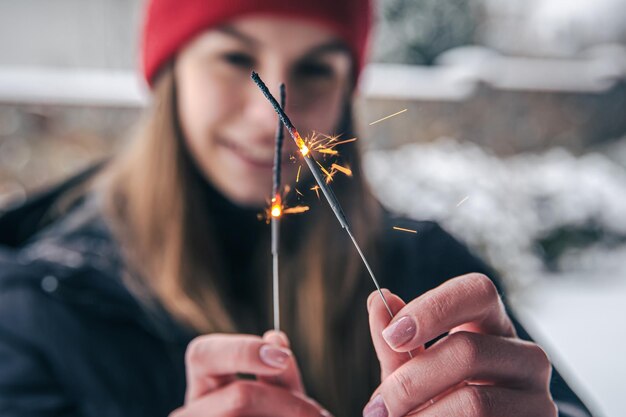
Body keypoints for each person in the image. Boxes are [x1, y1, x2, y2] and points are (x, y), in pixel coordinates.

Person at [0, 1, 592, 416]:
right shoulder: (33, 306)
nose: (272, 118)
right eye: (235, 59)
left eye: (315, 68)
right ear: (170, 74)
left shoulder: (425, 271)